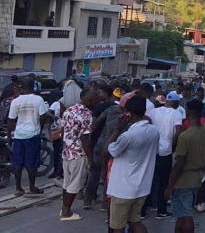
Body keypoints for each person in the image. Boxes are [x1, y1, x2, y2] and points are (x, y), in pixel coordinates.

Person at [105, 95, 160, 233]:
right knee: (135, 220)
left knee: (117, 226)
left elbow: (108, 150)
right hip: (142, 187)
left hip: (123, 189)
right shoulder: (154, 131)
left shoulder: (128, 136)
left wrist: (117, 129)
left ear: (129, 113)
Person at [165, 99, 205, 233]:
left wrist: (169, 185)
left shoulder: (185, 136)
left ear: (188, 112)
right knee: (181, 214)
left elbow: (179, 163)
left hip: (184, 179)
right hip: (198, 176)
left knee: (186, 215)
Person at [60, 90, 99, 220]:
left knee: (67, 182)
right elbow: (85, 139)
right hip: (78, 153)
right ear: (90, 101)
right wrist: (90, 159)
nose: (97, 103)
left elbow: (62, 130)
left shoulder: (69, 110)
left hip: (67, 152)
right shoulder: (87, 115)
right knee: (75, 184)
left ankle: (64, 208)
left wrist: (64, 147)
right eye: (96, 101)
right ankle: (66, 212)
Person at [6, 78, 49, 197]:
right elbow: (43, 116)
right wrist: (40, 128)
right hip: (32, 135)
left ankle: (18, 188)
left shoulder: (16, 101)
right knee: (32, 162)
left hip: (19, 135)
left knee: (18, 162)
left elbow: (11, 120)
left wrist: (9, 135)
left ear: (21, 86)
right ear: (33, 86)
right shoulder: (38, 99)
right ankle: (31, 187)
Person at [145, 91, 183, 219]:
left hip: (152, 148)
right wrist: (173, 148)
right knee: (163, 181)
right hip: (166, 151)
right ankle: (161, 210)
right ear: (176, 103)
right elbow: (178, 132)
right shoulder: (176, 114)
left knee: (149, 178)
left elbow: (147, 124)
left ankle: (143, 210)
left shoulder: (154, 111)